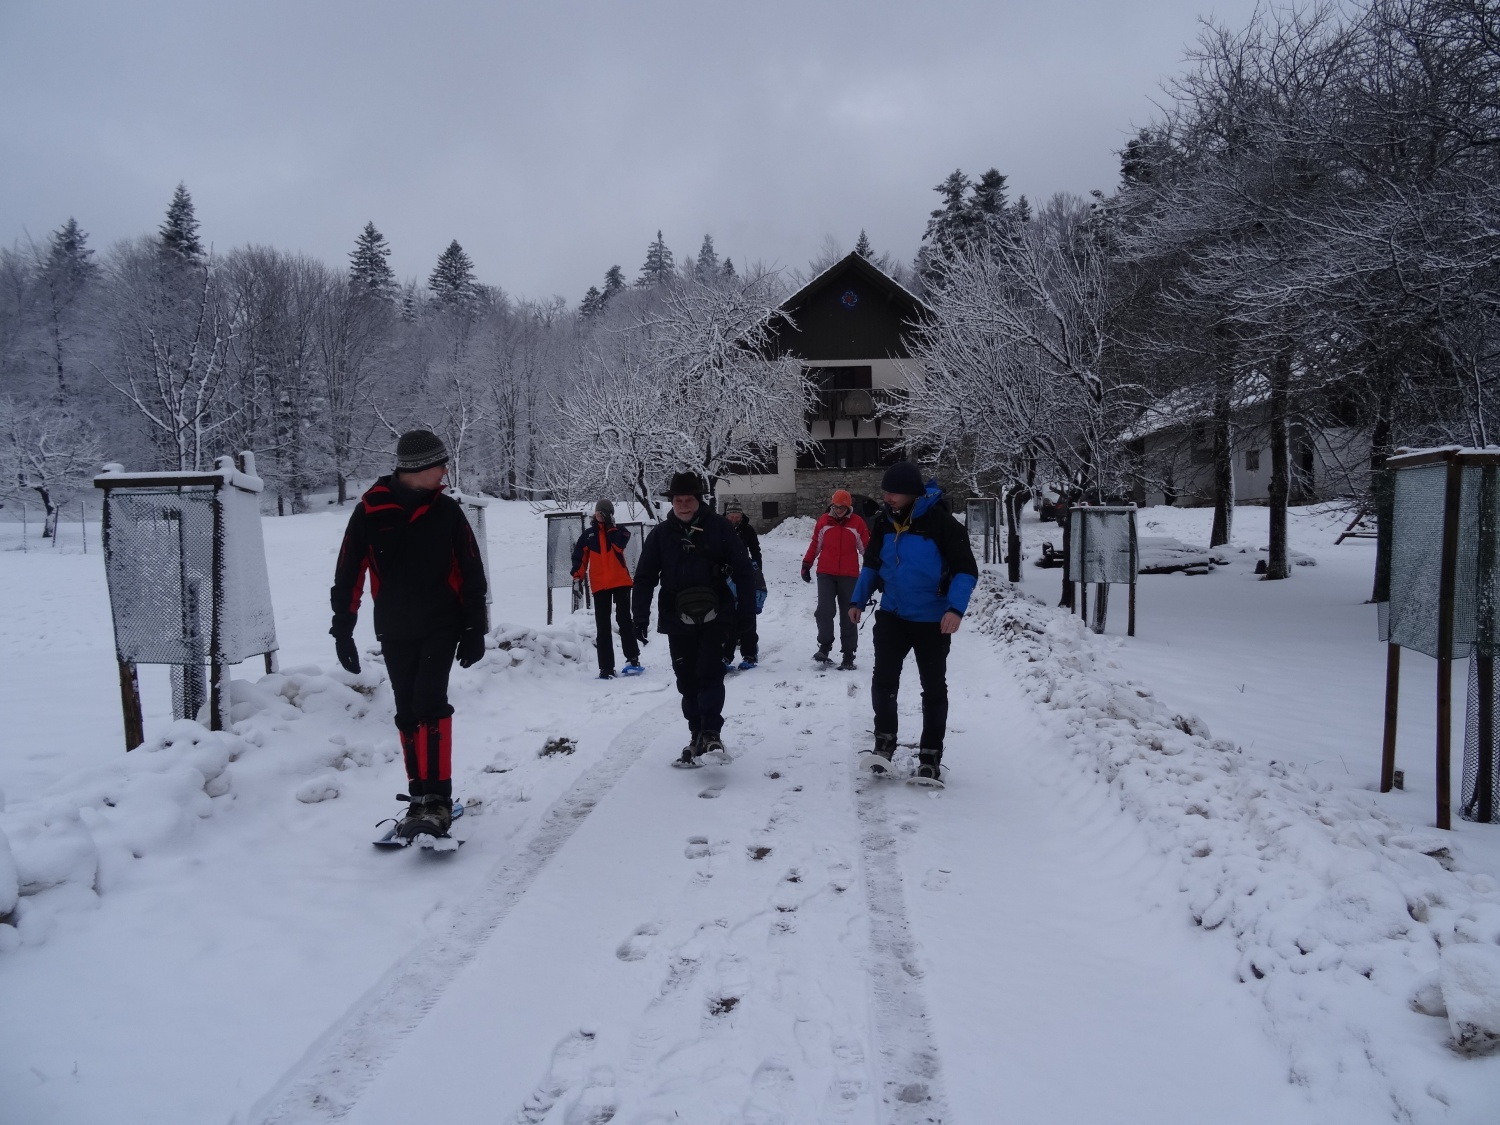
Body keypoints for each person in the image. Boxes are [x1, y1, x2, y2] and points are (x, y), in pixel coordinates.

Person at [330, 429, 488, 839]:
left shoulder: (448, 512)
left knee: (429, 701)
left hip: (441, 622)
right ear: (418, 468)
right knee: (406, 709)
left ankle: (439, 799)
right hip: (395, 628)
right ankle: (418, 796)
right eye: (440, 465)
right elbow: (348, 572)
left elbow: (471, 570)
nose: (446, 472)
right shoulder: (371, 511)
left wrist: (474, 627)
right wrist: (342, 630)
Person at [849, 462, 977, 785]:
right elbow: (872, 565)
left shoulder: (941, 523)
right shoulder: (884, 523)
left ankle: (931, 756)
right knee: (883, 681)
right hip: (892, 614)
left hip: (933, 620)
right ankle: (884, 743)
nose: (887, 497)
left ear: (911, 494)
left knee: (933, 688)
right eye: (886, 492)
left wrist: (955, 610)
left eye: (893, 492)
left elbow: (965, 570)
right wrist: (857, 600)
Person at [632, 473, 757, 767]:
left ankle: (712, 732)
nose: (684, 505)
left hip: (716, 614)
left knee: (710, 671)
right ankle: (696, 733)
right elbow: (645, 577)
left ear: (699, 500)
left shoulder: (720, 528)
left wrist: (746, 614)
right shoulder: (661, 535)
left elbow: (743, 570)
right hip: (677, 617)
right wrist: (639, 615)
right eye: (678, 500)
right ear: (671, 502)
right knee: (686, 680)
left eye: (689, 500)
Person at [572, 499, 643, 680]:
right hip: (599, 585)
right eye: (597, 512)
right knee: (602, 627)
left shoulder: (621, 532)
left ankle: (633, 659)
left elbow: (619, 546)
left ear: (609, 514)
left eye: (602, 512)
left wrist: (611, 527)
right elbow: (580, 557)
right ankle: (606, 668)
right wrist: (577, 577)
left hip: (621, 582)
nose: (598, 515)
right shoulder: (589, 536)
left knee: (624, 620)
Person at [801, 488, 869, 670]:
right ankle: (824, 646)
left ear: (848, 507)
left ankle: (848, 654)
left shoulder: (857, 523)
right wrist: (806, 564)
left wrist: (874, 572)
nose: (838, 510)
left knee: (849, 615)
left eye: (842, 507)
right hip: (826, 573)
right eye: (835, 506)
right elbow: (816, 543)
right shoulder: (824, 521)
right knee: (824, 611)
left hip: (849, 575)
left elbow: (866, 549)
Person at [721, 499, 765, 670]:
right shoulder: (720, 528)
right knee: (726, 616)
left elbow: (755, 551)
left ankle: (749, 654)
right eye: (731, 515)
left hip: (745, 575)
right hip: (725, 576)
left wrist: (757, 572)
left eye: (736, 515)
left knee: (747, 614)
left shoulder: (747, 530)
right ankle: (725, 655)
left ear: (740, 515)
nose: (733, 518)